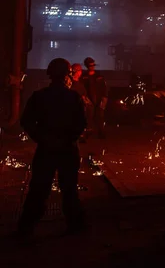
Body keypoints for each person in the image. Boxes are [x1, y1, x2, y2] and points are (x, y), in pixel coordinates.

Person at [17, 58, 87, 237]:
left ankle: (26, 228)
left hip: (46, 149)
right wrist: (67, 139)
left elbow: (26, 122)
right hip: (67, 150)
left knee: (38, 189)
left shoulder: (39, 96)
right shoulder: (73, 97)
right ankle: (75, 227)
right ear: (67, 76)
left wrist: (42, 138)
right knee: (69, 189)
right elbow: (81, 124)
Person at [81, 57, 108, 139]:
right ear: (87, 66)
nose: (92, 67)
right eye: (90, 65)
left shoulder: (99, 77)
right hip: (89, 100)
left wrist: (104, 99)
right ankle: (88, 133)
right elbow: (82, 89)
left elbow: (104, 89)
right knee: (89, 117)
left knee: (100, 116)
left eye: (93, 65)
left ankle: (101, 132)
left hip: (99, 99)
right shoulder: (84, 78)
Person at [70, 63, 92, 142]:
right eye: (79, 70)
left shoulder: (80, 84)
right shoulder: (70, 83)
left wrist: (86, 101)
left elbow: (84, 95)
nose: (80, 72)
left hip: (80, 108)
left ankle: (81, 134)